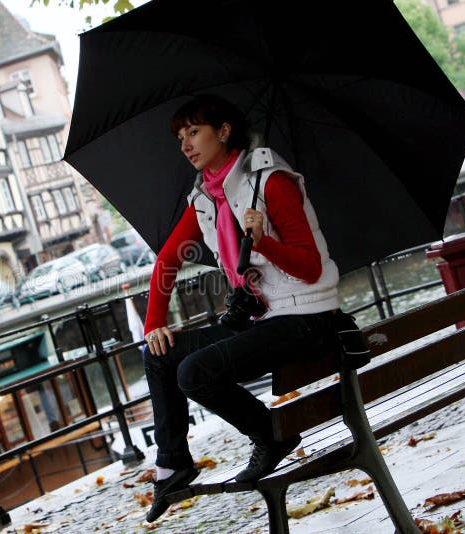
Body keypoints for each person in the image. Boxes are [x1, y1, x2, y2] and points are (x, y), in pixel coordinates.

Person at [142, 94, 345, 522]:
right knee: (159, 355)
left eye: (193, 132)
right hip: (264, 317)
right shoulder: (207, 199)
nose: (185, 145)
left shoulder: (272, 183)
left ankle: (272, 436)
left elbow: (310, 268)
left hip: (307, 317)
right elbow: (168, 261)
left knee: (193, 372)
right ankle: (173, 463)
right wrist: (154, 325)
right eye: (180, 136)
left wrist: (264, 240)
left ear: (224, 131)